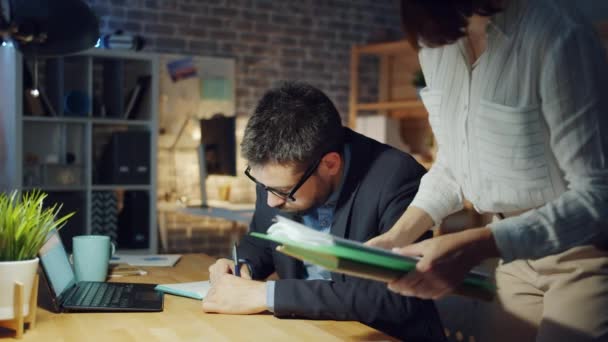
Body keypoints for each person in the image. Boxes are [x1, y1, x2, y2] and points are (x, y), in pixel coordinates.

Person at [368, 0, 608, 341]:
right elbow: (453, 163)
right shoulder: (436, 40)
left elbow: (598, 196)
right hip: (510, 255)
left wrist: (475, 245)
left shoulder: (557, 32)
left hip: (583, 251)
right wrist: (397, 236)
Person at [203, 81, 446, 341]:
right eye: (263, 187)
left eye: (283, 191)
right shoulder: (276, 178)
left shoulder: (396, 177)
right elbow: (262, 238)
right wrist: (241, 266)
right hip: (306, 332)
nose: (271, 201)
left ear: (330, 164)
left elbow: (398, 299)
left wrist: (267, 295)